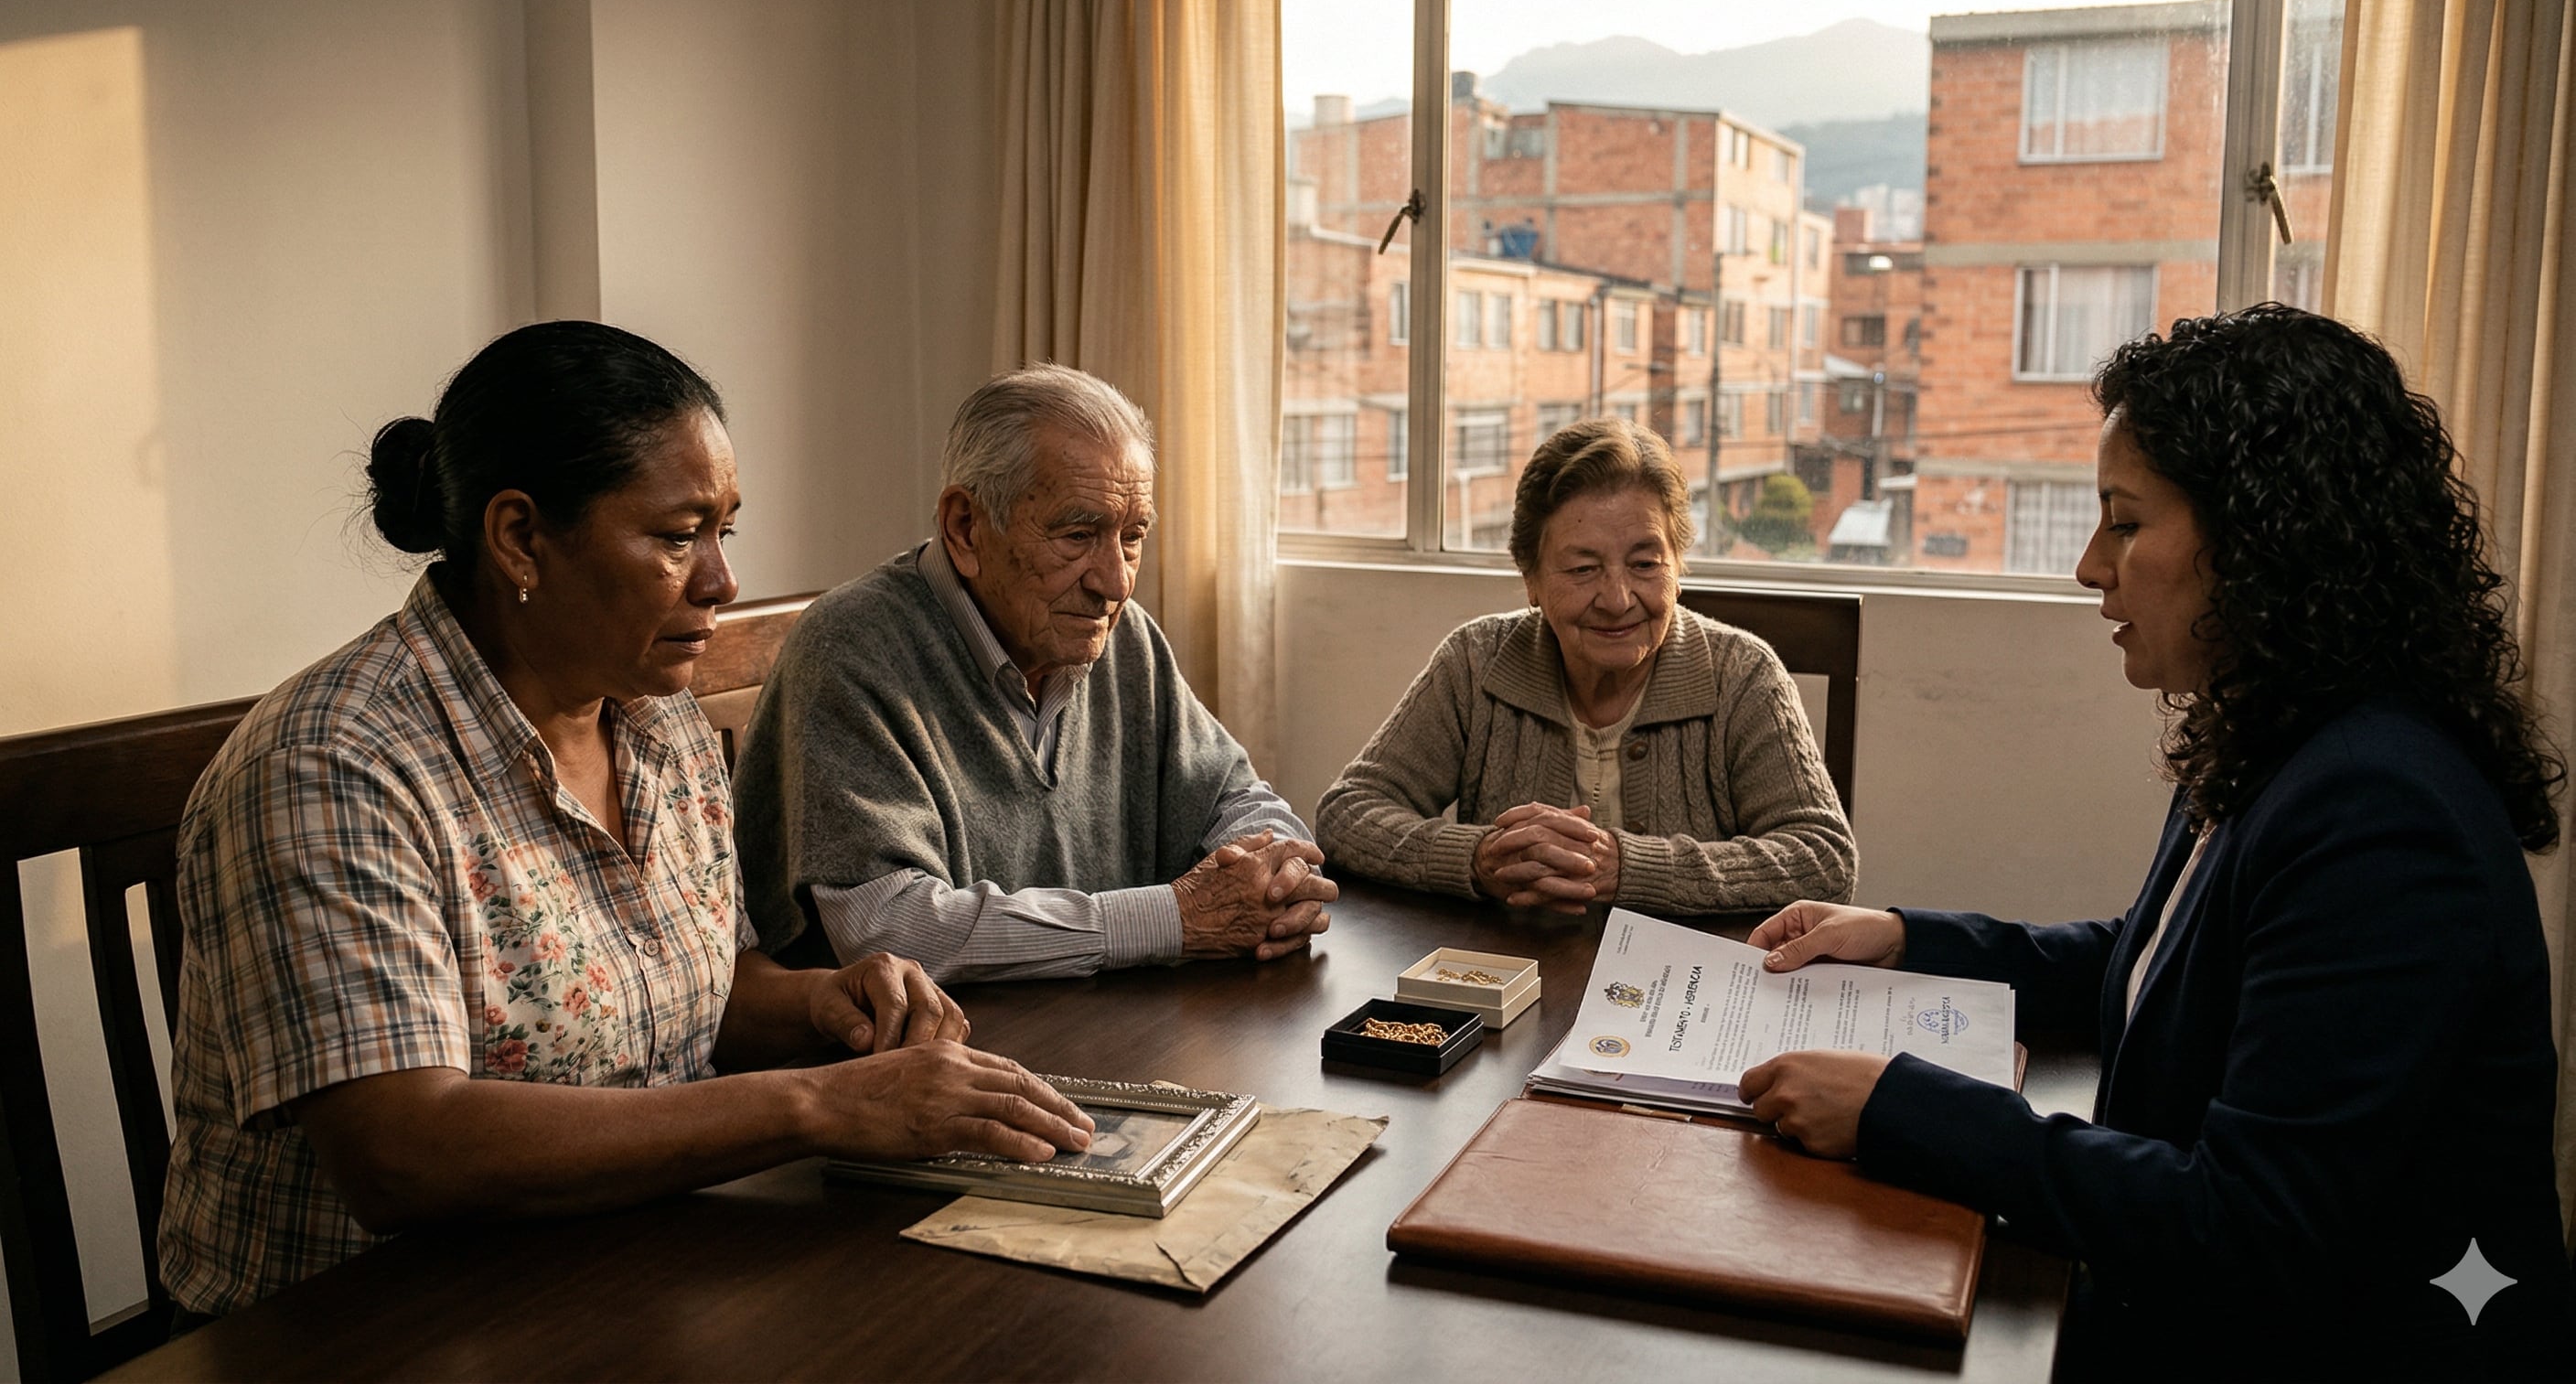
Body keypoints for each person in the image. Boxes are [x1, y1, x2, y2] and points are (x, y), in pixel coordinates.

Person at [160, 322, 1093, 1320]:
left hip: (612, 1271)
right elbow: (403, 1154)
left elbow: (687, 993)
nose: (720, 582)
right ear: (519, 538)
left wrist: (825, 1002)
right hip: (355, 1333)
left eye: (724, 531)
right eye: (676, 535)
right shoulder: (336, 767)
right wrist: (816, 1103)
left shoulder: (656, 722)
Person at [1737, 305, 2574, 1379]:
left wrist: (1901, 1108)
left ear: (2264, 539)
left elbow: (2244, 1225)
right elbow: (2157, 967)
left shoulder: (2379, 810)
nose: (2091, 567)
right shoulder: (2285, 728)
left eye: (2125, 524)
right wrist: (1904, 937)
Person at [732, 364, 1334, 982]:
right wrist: (1170, 920)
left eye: (1132, 536)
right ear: (965, 527)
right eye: (1078, 535)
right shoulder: (854, 648)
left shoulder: (1124, 641)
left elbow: (1237, 798)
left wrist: (1275, 877)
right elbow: (888, 927)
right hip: (891, 1061)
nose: (1116, 582)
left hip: (1088, 1037)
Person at [1314, 417, 1854, 917]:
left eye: (1645, 564)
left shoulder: (1744, 675)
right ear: (1531, 579)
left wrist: (1632, 868)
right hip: (1514, 981)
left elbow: (1825, 860)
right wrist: (1480, 857)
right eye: (1582, 568)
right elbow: (1347, 815)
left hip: (1687, 996)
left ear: (1677, 567)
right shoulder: (1477, 663)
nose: (1618, 599)